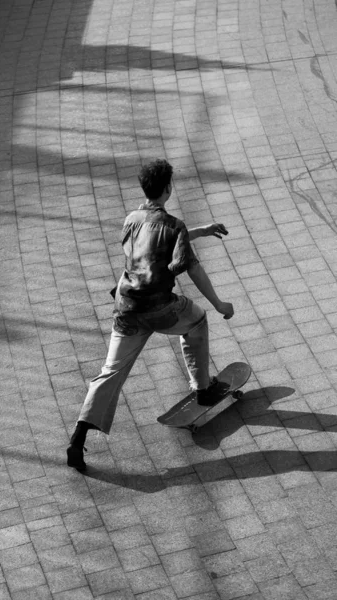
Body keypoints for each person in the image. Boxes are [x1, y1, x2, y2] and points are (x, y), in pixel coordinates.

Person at [67, 158, 234, 471]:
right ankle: (203, 389)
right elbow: (190, 267)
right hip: (160, 309)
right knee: (196, 319)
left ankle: (77, 439)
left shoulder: (131, 218)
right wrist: (219, 304)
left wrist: (199, 231)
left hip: (126, 309)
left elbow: (152, 243)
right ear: (168, 188)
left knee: (110, 372)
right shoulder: (174, 226)